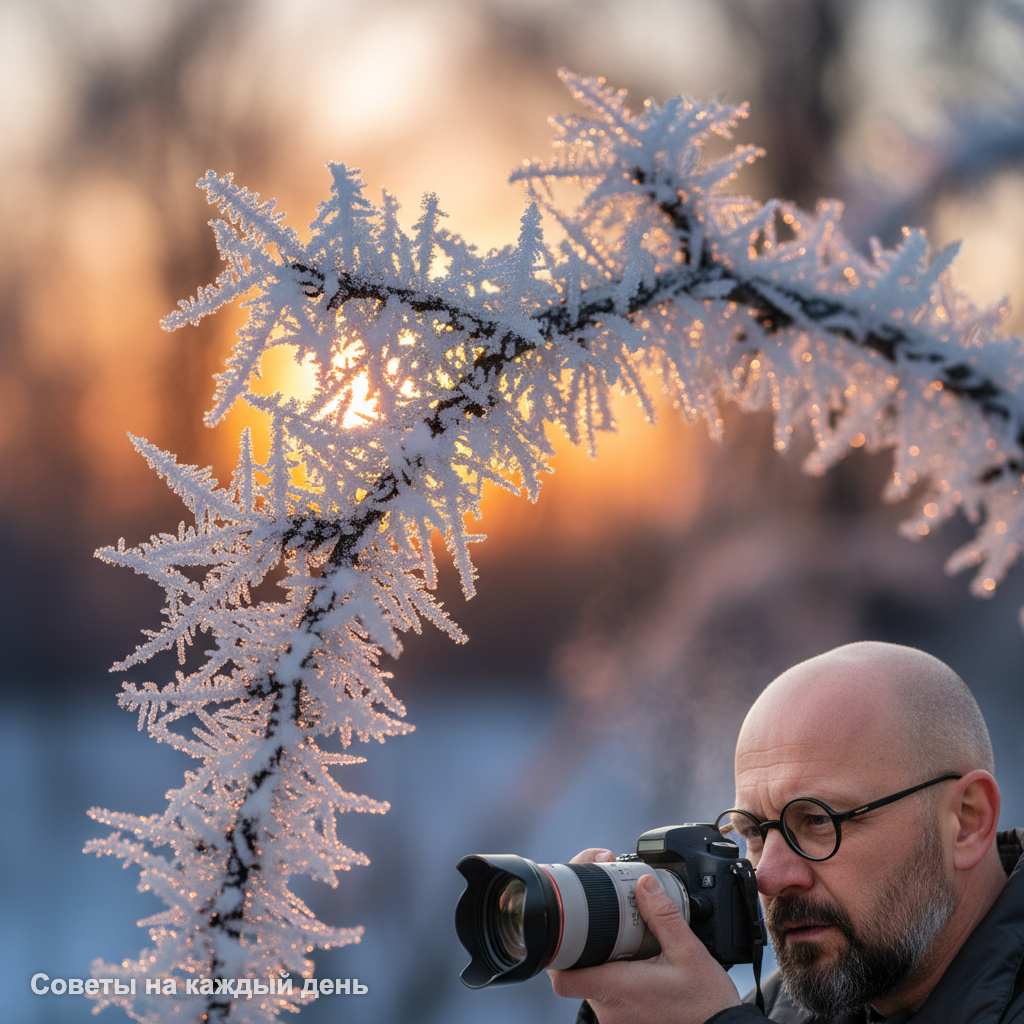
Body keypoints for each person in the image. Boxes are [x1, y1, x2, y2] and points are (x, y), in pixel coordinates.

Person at [549, 641, 1024, 1023]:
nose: (768, 876)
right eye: (753, 833)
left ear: (966, 821)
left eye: (819, 821)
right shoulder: (780, 1010)